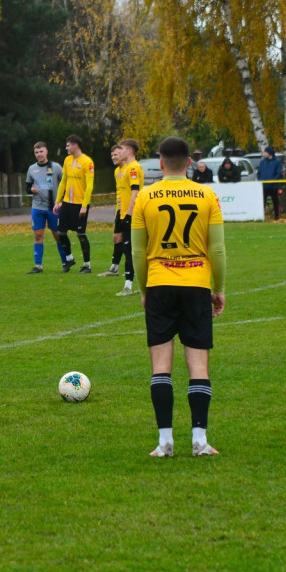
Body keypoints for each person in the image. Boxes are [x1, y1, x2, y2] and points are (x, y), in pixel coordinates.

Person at [132, 136, 226, 458]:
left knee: (161, 365)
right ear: (189, 162)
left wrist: (145, 290)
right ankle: (199, 441)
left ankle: (164, 442)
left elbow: (137, 252)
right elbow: (217, 249)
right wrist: (219, 289)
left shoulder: (145, 196)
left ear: (160, 162)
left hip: (160, 283)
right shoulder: (207, 195)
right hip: (197, 283)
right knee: (198, 363)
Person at [98, 139, 142, 296]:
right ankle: (139, 285)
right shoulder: (124, 169)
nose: (118, 152)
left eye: (121, 149)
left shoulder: (134, 168)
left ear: (129, 151)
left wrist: (129, 215)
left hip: (133, 215)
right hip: (124, 213)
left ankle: (128, 286)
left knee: (130, 250)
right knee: (128, 248)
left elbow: (135, 192)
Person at [24, 142, 68, 274]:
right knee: (38, 235)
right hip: (37, 208)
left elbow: (65, 183)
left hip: (53, 208)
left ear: (46, 152)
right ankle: (38, 266)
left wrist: (61, 201)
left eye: (41, 151)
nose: (39, 155)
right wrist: (31, 189)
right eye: (36, 152)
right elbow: (27, 187)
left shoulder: (55, 167)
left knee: (57, 234)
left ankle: (66, 262)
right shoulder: (32, 169)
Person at [54, 135, 95, 273]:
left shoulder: (87, 162)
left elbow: (89, 186)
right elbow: (63, 181)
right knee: (60, 232)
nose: (66, 148)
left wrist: (85, 205)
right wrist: (58, 201)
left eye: (68, 145)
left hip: (79, 204)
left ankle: (87, 265)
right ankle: (70, 259)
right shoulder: (67, 160)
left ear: (75, 145)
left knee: (81, 234)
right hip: (67, 203)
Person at [257, 146, 283, 219]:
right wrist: (260, 180)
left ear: (270, 153)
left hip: (273, 186)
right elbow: (259, 173)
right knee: (262, 202)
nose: (264, 153)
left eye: (266, 152)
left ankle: (277, 217)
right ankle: (261, 217)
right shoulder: (262, 162)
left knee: (275, 201)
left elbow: (278, 173)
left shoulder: (277, 162)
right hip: (264, 186)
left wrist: (273, 181)